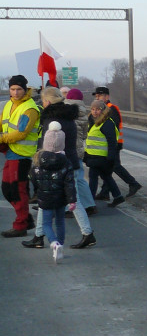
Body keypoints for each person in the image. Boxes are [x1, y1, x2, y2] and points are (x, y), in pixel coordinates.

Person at [24, 87, 95, 249]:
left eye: (43, 101)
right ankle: (39, 236)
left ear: (47, 101)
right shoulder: (69, 117)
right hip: (71, 161)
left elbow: (48, 145)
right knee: (51, 200)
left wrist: (40, 162)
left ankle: (87, 233)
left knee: (65, 201)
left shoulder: (52, 120)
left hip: (56, 165)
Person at [28, 122, 76, 263]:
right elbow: (69, 183)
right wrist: (72, 200)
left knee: (46, 224)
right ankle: (60, 245)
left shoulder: (38, 161)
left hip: (45, 198)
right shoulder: (66, 163)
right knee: (60, 222)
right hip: (60, 198)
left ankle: (53, 243)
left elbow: (33, 179)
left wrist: (36, 192)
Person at [1, 74, 41, 237]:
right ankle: (26, 218)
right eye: (12, 89)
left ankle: (21, 225)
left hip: (22, 155)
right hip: (10, 153)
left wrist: (2, 138)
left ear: (25, 90)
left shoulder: (30, 108)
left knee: (18, 190)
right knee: (7, 190)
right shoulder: (9, 104)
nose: (15, 92)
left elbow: (22, 133)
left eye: (19, 89)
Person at [92, 86, 142, 198]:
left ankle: (133, 184)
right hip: (106, 144)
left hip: (114, 143)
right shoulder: (103, 109)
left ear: (106, 96)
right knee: (107, 168)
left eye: (99, 96)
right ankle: (105, 192)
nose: (97, 98)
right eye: (96, 96)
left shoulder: (111, 109)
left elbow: (112, 128)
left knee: (114, 166)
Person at [63, 88, 97, 226]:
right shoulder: (84, 113)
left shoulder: (66, 111)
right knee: (80, 178)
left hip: (68, 149)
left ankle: (70, 207)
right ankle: (90, 204)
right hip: (79, 149)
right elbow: (84, 135)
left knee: (69, 180)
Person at [83, 99, 125, 207]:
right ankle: (118, 196)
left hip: (101, 157)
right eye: (92, 109)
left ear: (102, 111)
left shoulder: (106, 123)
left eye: (97, 109)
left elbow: (112, 142)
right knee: (106, 176)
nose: (94, 111)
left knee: (93, 177)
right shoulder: (95, 122)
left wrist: (111, 157)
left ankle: (90, 201)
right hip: (95, 156)